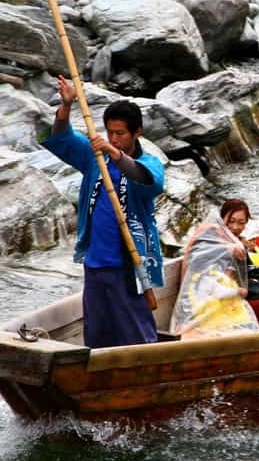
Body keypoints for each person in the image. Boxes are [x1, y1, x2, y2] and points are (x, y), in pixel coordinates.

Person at [41, 76, 163, 348]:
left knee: (136, 332)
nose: (114, 139)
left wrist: (115, 154)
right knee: (97, 333)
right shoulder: (95, 159)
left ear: (137, 132)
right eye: (110, 132)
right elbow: (61, 137)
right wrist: (67, 104)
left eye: (120, 133)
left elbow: (149, 181)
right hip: (95, 262)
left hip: (129, 263)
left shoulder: (148, 163)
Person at [175, 200, 259, 334]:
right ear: (222, 219)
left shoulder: (239, 242)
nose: (236, 227)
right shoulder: (209, 236)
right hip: (213, 304)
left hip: (234, 295)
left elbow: (254, 270)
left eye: (241, 222)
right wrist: (227, 249)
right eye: (231, 221)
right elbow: (199, 257)